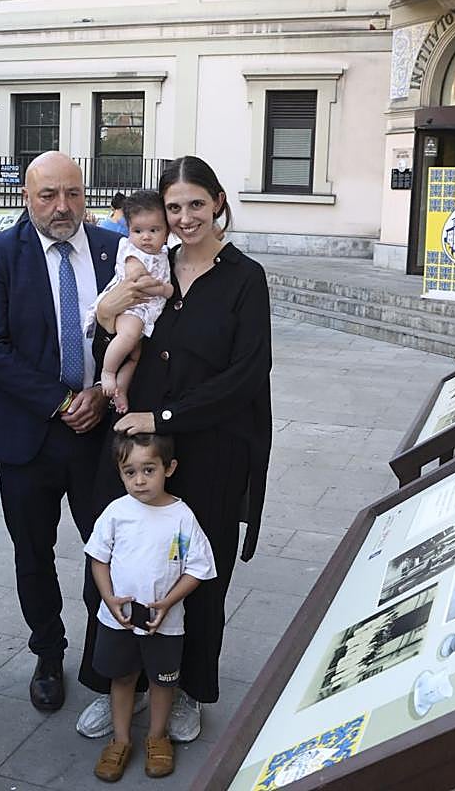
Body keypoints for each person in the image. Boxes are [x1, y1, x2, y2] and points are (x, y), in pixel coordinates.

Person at [78, 155, 272, 743]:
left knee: (198, 571)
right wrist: (107, 317)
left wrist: (163, 415)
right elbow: (112, 336)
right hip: (141, 449)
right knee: (122, 559)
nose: (185, 217)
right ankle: (119, 679)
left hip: (211, 447)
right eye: (173, 207)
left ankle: (187, 688)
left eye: (195, 204)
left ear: (217, 202)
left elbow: (245, 373)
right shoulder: (148, 265)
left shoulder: (242, 277)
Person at [0, 150, 119, 712]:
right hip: (29, 435)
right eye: (48, 195)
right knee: (33, 552)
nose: (63, 206)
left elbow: (138, 335)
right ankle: (48, 652)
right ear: (26, 197)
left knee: (103, 547)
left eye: (73, 193)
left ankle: (99, 652)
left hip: (100, 434)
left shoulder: (112, 251)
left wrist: (102, 394)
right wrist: (60, 402)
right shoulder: (1, 255)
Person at [86, 433, 215, 782]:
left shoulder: (182, 517)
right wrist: (109, 599)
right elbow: (98, 558)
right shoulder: (117, 512)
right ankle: (121, 739)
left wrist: (169, 602)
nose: (140, 480)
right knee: (123, 677)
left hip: (166, 622)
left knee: (163, 681)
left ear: (169, 468)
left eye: (148, 470)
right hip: (120, 620)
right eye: (130, 472)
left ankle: (157, 738)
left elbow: (199, 568)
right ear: (120, 473)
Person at [89, 190, 173, 415]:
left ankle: (120, 391)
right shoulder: (132, 251)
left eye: (153, 230)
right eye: (138, 230)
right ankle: (107, 372)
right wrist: (164, 289)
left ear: (166, 232)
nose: (145, 237)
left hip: (145, 312)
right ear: (129, 230)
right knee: (128, 336)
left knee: (135, 356)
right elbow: (138, 280)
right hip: (131, 307)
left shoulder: (163, 254)